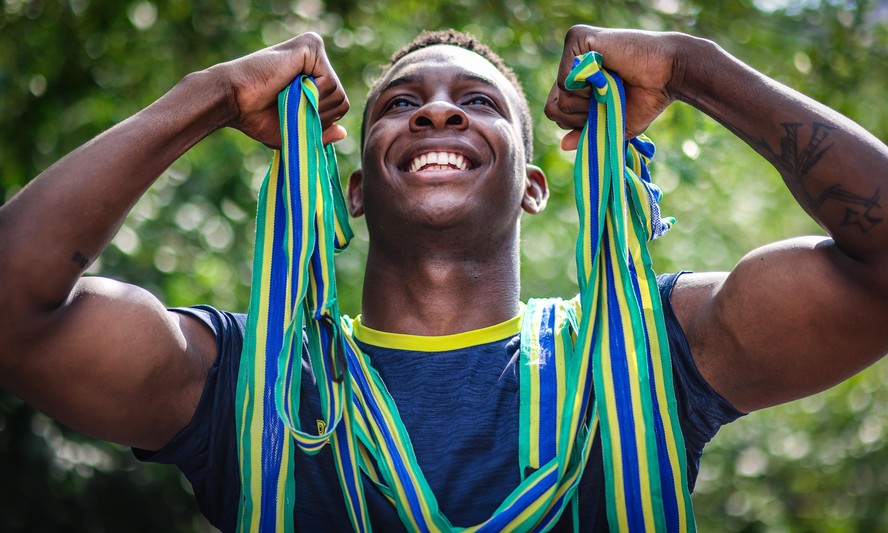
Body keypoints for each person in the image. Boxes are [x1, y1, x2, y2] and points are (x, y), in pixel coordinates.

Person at [1, 23, 886, 530]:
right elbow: (14, 308)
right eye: (400, 103)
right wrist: (211, 95)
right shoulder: (250, 384)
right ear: (347, 188)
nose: (434, 109)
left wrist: (698, 68)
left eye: (477, 103)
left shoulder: (648, 357)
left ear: (533, 186)